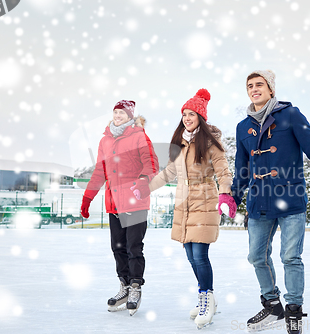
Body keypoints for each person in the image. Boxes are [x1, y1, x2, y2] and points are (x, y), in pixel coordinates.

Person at [231, 70, 310, 333]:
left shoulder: (291, 116)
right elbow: (242, 169)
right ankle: (273, 306)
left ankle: (293, 309)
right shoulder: (243, 127)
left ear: (271, 89)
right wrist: (232, 196)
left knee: (291, 257)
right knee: (256, 256)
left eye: (259, 84)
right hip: (259, 202)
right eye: (250, 86)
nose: (254, 89)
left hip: (290, 198)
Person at [132, 88, 236, 329]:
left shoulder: (211, 142)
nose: (187, 118)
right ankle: (209, 296)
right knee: (190, 255)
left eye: (192, 114)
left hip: (204, 199)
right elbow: (169, 172)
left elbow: (222, 171)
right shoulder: (178, 142)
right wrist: (146, 187)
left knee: (200, 255)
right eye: (184, 114)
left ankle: (205, 299)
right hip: (184, 201)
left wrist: (226, 194)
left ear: (201, 117)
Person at [80, 100, 159, 316]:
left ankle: (135, 287)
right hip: (113, 203)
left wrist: (142, 183)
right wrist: (88, 197)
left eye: (122, 113)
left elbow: (151, 163)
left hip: (135, 200)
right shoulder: (105, 140)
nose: (117, 115)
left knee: (134, 247)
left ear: (130, 116)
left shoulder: (139, 135)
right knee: (118, 247)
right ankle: (123, 285)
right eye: (115, 112)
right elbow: (99, 171)